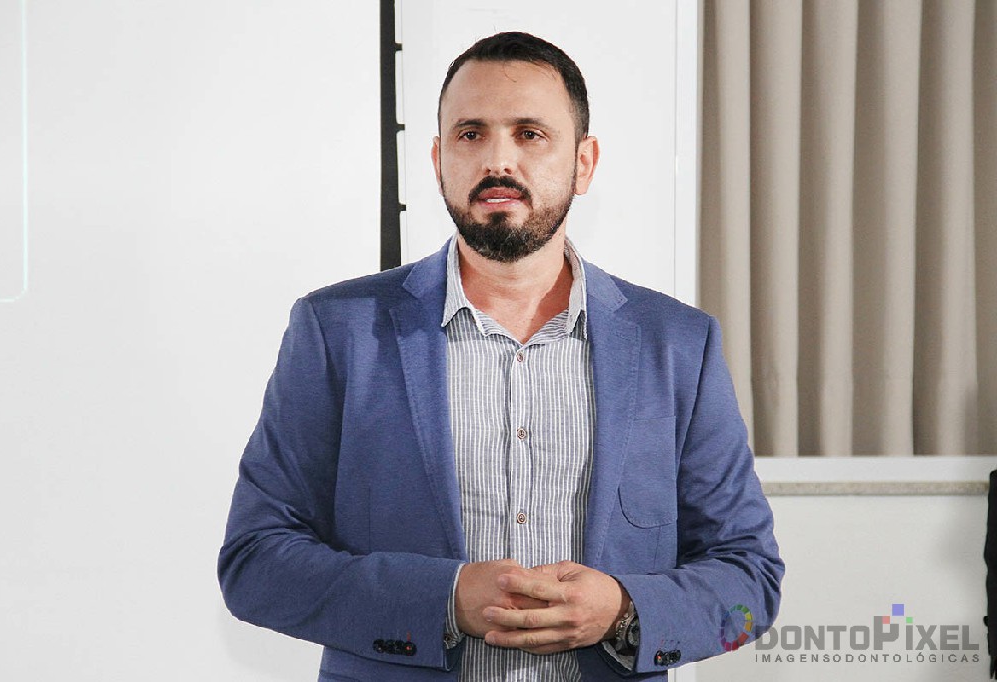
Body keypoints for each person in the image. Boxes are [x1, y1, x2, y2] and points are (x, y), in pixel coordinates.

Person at [218, 31, 783, 681]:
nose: (498, 159)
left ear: (584, 163)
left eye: (530, 134)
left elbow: (750, 579)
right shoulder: (338, 330)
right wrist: (443, 599)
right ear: (439, 160)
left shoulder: (678, 344)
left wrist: (624, 611)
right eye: (471, 134)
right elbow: (256, 561)